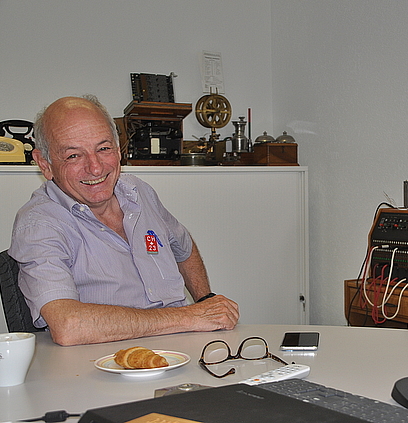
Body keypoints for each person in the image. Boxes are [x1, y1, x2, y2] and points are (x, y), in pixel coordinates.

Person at [8, 95, 239, 346]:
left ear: (118, 150)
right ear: (45, 163)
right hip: (103, 364)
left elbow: (183, 247)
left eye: (104, 149)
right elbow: (68, 326)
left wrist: (205, 302)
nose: (95, 168)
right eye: (74, 155)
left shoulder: (138, 191)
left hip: (182, 348)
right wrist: (188, 317)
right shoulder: (38, 224)